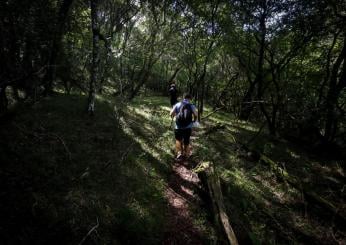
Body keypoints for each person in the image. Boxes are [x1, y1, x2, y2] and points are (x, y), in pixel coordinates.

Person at [170, 93, 198, 160]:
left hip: (178, 126)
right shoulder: (191, 105)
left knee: (178, 140)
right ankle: (187, 155)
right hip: (188, 127)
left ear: (183, 97)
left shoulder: (177, 104)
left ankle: (179, 153)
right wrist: (194, 121)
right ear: (190, 99)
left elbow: (171, 113)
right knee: (186, 141)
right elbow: (196, 114)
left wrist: (174, 118)